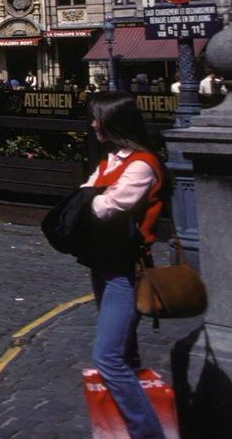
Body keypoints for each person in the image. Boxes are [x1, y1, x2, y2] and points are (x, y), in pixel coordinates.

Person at [77, 92, 168, 439]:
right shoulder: (113, 159)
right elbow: (87, 194)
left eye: (97, 118)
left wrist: (88, 200)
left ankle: (148, 433)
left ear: (114, 122)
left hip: (126, 270)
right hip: (104, 262)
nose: (93, 124)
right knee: (125, 352)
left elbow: (103, 206)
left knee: (108, 357)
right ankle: (126, 426)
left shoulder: (142, 164)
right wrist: (88, 198)